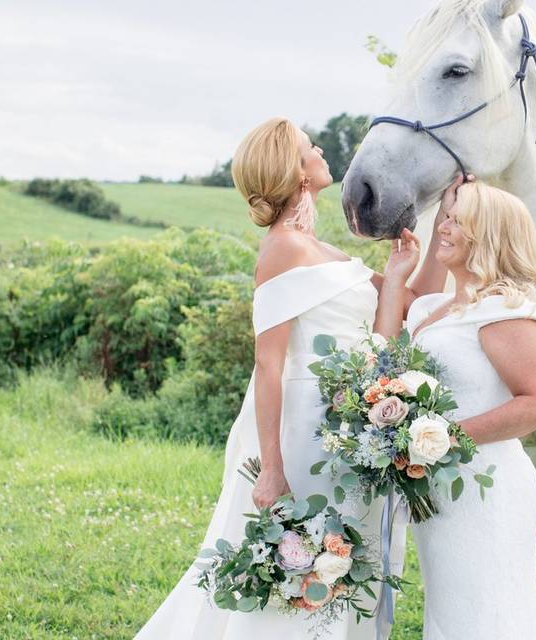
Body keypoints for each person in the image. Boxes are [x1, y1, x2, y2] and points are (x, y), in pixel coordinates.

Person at [135, 116, 456, 640]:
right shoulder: (283, 248)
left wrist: (421, 246)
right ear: (297, 171)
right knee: (303, 573)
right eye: (312, 146)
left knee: (344, 567)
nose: (322, 149)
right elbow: (268, 364)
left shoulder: (320, 248)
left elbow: (403, 314)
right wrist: (271, 469)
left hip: (351, 427)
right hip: (304, 431)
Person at [375, 181, 536, 639]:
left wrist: (446, 439)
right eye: (446, 217)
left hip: (486, 492)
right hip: (440, 491)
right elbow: (379, 358)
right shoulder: (433, 309)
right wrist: (398, 277)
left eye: (458, 220)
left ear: (488, 234)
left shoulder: (503, 312)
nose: (444, 227)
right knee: (452, 615)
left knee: (490, 617)